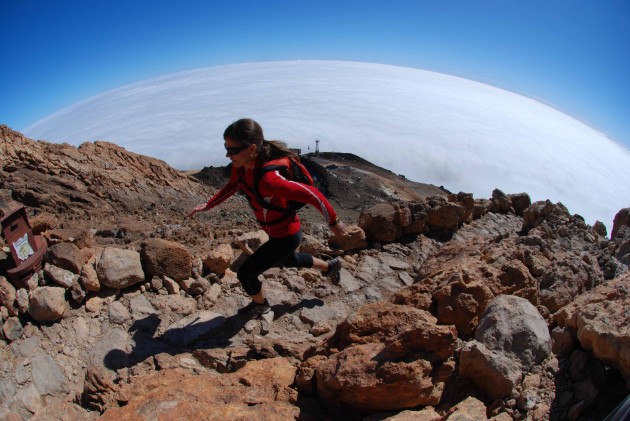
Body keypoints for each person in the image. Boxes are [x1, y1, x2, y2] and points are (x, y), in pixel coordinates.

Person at [188, 118, 347, 318]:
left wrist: (333, 222)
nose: (228, 155)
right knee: (290, 260)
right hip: (278, 232)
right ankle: (330, 267)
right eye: (226, 148)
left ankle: (261, 305)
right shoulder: (242, 167)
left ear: (252, 148)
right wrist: (208, 205)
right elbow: (233, 185)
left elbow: (312, 194)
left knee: (246, 273)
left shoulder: (268, 180)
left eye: (233, 150)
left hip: (287, 235)